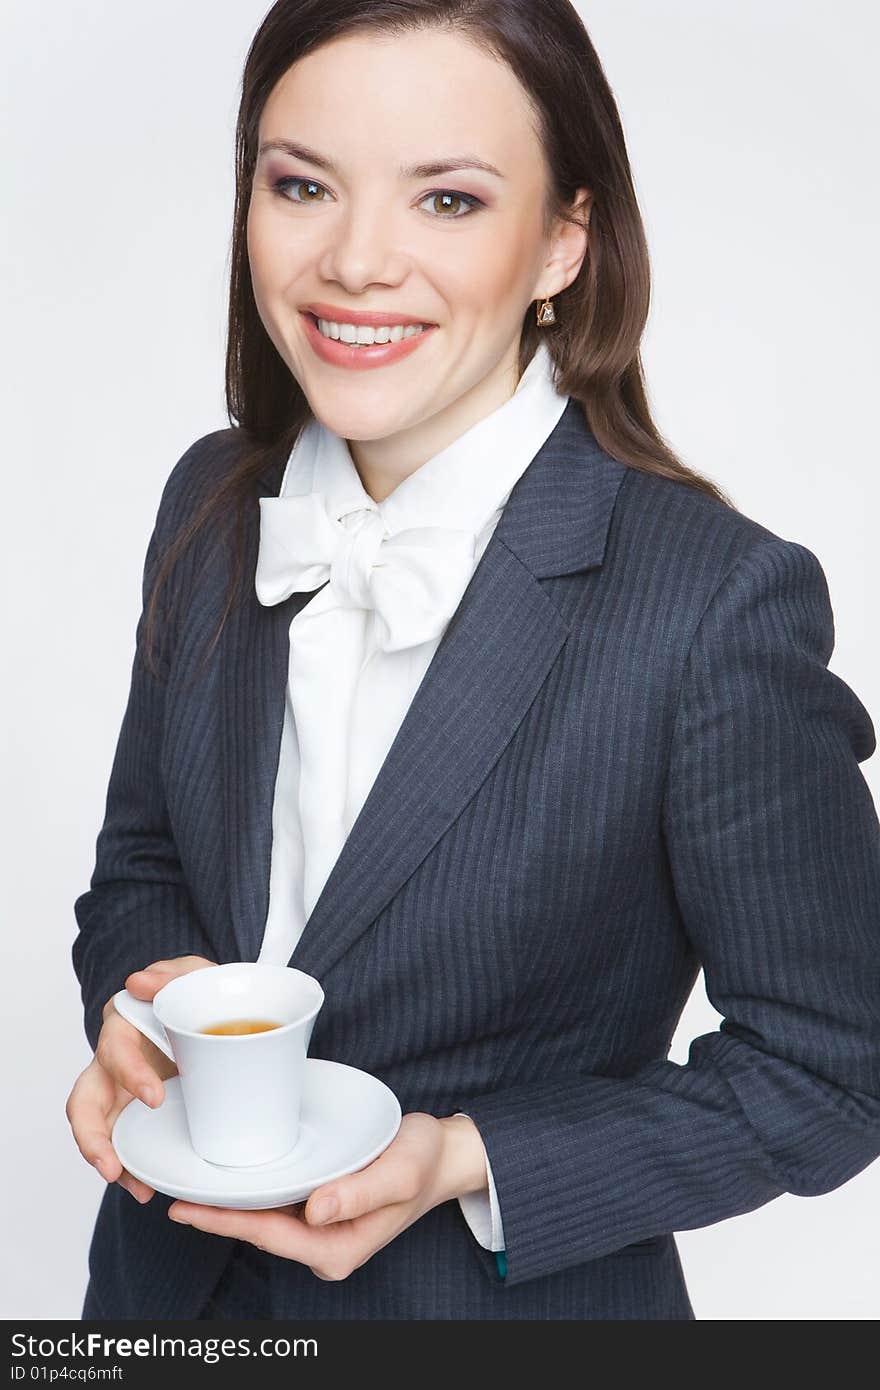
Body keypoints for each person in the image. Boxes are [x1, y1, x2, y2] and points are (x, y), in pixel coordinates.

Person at [66, 0, 880, 1322]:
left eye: (446, 200)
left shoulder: (714, 603)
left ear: (565, 239)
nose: (356, 261)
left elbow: (835, 1072)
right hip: (158, 1306)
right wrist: (153, 1005)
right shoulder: (212, 504)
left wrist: (465, 1156)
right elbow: (143, 866)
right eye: (302, 185)